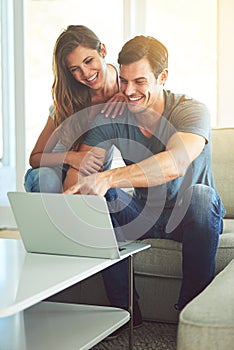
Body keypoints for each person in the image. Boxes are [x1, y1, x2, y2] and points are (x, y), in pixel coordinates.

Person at [64, 34, 226, 334]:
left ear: (162, 77)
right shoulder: (115, 115)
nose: (128, 90)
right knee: (103, 196)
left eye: (139, 81)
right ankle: (124, 312)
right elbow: (84, 167)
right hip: (143, 215)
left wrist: (108, 176)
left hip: (191, 217)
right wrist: (75, 191)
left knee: (202, 197)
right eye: (123, 81)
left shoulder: (190, 110)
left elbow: (175, 162)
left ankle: (190, 315)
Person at [24, 25, 126, 193]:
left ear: (103, 50)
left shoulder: (127, 83)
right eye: (75, 69)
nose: (85, 73)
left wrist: (128, 97)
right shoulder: (70, 100)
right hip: (51, 171)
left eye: (88, 61)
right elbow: (35, 158)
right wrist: (72, 158)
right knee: (48, 181)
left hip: (93, 169)